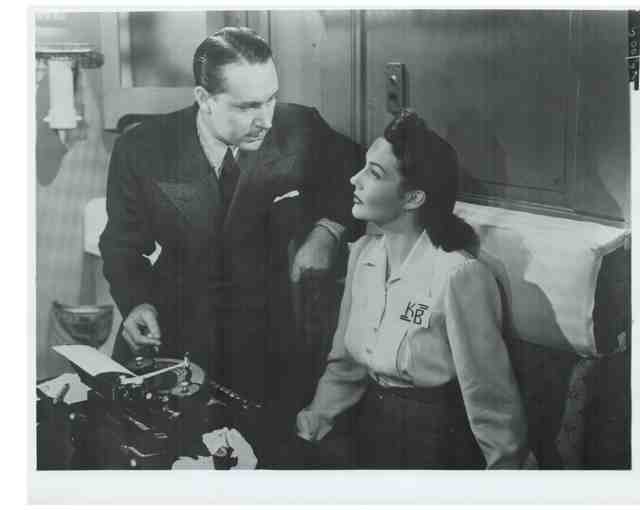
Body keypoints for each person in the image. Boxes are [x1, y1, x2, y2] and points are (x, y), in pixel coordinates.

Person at [99, 27, 362, 406]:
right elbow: (121, 245)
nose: (265, 119)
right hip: (176, 325)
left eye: (271, 99)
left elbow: (361, 176)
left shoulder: (300, 128)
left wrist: (328, 232)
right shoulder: (142, 148)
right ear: (204, 99)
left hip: (270, 332)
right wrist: (137, 303)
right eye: (247, 107)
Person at [295, 110, 530, 469]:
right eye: (363, 166)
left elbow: (489, 398)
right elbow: (345, 366)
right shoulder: (363, 256)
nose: (354, 179)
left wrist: (507, 475)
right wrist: (310, 426)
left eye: (374, 173)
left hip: (436, 444)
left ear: (413, 198)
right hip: (369, 429)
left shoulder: (459, 275)